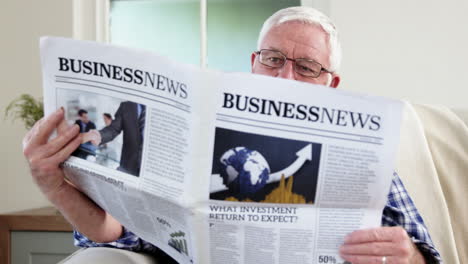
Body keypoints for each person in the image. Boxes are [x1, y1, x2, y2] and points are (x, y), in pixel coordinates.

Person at [22, 6, 440, 264]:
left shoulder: (364, 150)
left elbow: (423, 250)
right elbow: (120, 234)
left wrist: (411, 257)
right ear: (255, 62)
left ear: (331, 83)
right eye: (273, 58)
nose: (285, 75)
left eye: (308, 66)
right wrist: (57, 188)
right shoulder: (198, 133)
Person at [82, 102, 146, 177]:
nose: (104, 120)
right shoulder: (126, 105)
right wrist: (97, 135)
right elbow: (114, 129)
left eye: (105, 118)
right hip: (128, 165)